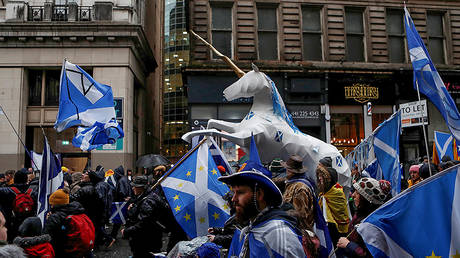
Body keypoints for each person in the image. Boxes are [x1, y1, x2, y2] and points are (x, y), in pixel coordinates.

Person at [218, 167, 306, 257]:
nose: (233, 199)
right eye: (234, 192)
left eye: (240, 192)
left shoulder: (277, 233)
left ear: (259, 194)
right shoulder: (255, 227)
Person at [337, 178, 391, 257]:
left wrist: (348, 245)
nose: (353, 195)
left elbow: (371, 255)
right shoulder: (360, 213)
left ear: (365, 199)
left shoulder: (372, 224)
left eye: (357, 193)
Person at [122, 176, 169, 257]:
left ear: (142, 187)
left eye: (135, 186)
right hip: (150, 239)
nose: (133, 188)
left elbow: (143, 224)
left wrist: (127, 231)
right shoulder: (147, 196)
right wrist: (132, 209)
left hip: (145, 242)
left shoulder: (148, 201)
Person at [44, 189, 95, 257]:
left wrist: (48, 220)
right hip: (81, 250)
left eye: (51, 204)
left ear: (55, 203)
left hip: (64, 252)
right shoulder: (77, 210)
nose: (51, 206)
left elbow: (47, 236)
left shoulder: (55, 217)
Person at [0, 169, 37, 242]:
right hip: (29, 224)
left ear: (14, 179)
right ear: (26, 180)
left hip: (12, 224)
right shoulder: (33, 192)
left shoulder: (6, 191)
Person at [317, 166, 350, 248]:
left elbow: (340, 214)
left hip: (338, 231)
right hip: (328, 229)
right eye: (319, 176)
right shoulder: (323, 194)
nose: (319, 178)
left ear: (329, 179)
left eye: (322, 176)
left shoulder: (337, 193)